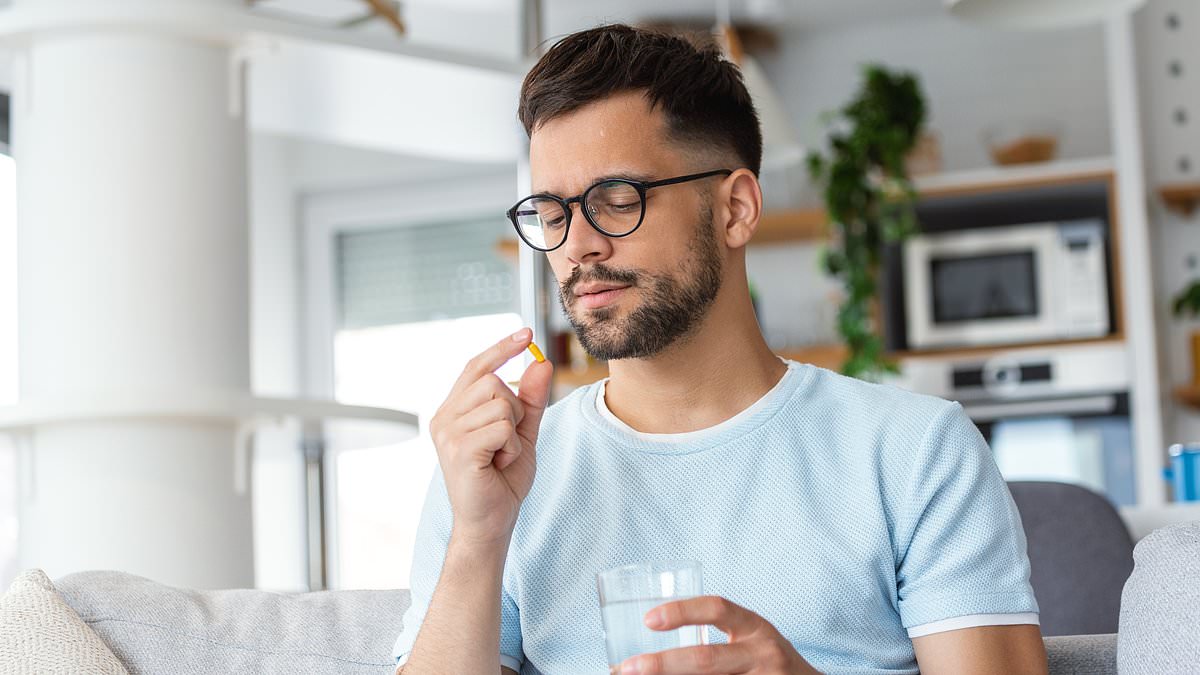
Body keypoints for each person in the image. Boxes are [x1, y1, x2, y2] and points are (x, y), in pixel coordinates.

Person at [394, 23, 1048, 675]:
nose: (579, 246)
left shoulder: (916, 451)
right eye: (553, 214)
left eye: (617, 201)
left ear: (735, 208)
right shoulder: (496, 476)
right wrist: (478, 537)